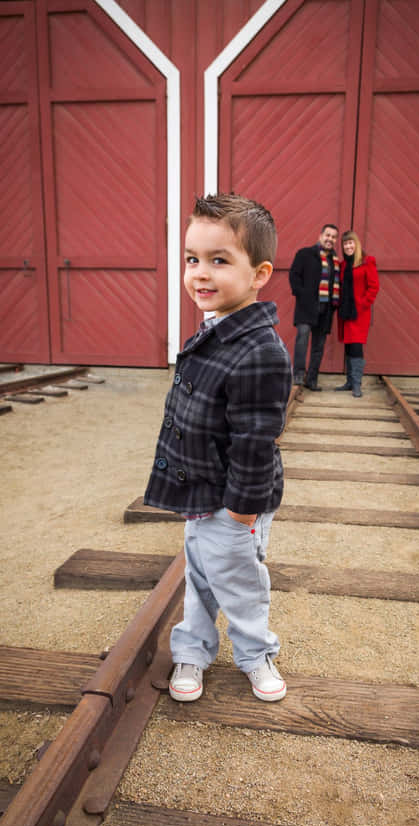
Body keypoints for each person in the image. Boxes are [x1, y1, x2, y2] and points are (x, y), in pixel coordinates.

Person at [144, 193, 292, 703]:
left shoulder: (260, 350)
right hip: (200, 488)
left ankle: (256, 653)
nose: (200, 274)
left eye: (219, 261)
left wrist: (239, 512)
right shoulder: (215, 328)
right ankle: (195, 649)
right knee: (201, 574)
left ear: (259, 274)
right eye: (192, 259)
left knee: (239, 579)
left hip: (234, 501)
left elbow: (255, 441)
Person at [288, 224, 340, 390]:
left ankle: (312, 379)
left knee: (319, 345)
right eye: (327, 235)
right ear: (320, 235)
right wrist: (301, 294)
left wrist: (333, 306)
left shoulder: (335, 261)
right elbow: (294, 275)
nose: (330, 239)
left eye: (333, 237)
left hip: (326, 309)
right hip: (306, 306)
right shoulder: (305, 254)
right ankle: (298, 375)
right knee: (302, 339)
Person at [334, 229, 379, 398]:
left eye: (350, 242)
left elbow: (373, 287)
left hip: (359, 313)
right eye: (345, 243)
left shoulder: (367, 262)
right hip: (345, 312)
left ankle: (357, 384)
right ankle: (349, 382)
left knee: (356, 346)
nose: (348, 246)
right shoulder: (343, 265)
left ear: (356, 244)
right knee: (348, 345)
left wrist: (362, 304)